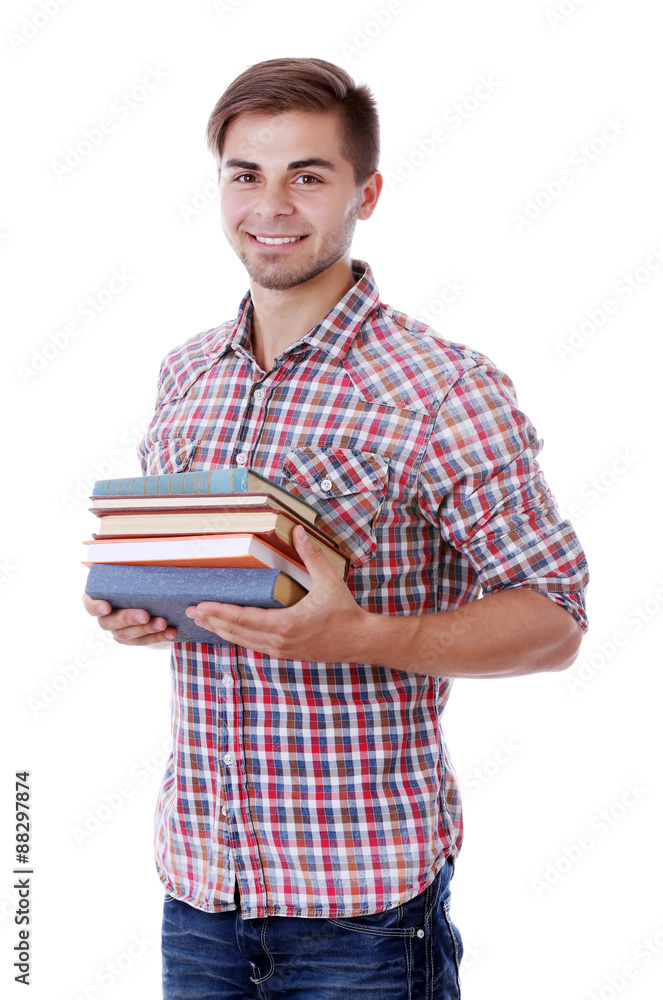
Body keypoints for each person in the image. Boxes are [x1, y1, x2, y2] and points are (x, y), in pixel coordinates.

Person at [83, 57, 589, 999]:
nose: (270, 205)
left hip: (360, 913)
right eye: (246, 174)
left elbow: (554, 617)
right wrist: (137, 611)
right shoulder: (188, 374)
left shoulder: (443, 388)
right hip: (198, 893)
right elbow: (198, 578)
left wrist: (360, 636)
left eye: (307, 175)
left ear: (367, 191)